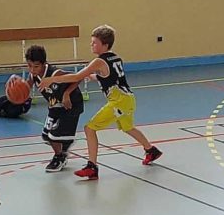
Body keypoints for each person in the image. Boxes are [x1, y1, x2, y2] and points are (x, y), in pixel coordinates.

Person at [38, 24, 162, 180]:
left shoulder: (98, 62)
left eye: (94, 42)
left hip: (119, 102)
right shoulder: (116, 58)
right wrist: (94, 77)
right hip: (128, 99)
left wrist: (52, 79)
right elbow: (112, 77)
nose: (91, 45)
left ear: (105, 44)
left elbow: (76, 77)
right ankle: (151, 150)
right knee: (128, 127)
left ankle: (92, 167)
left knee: (89, 128)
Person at [25, 44, 83, 172]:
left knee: (54, 136)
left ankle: (60, 157)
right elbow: (25, 87)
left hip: (71, 105)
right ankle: (65, 144)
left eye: (36, 66)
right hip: (55, 106)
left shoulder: (55, 73)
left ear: (44, 64)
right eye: (29, 66)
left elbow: (78, 78)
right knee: (46, 135)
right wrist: (14, 87)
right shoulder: (33, 75)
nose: (32, 69)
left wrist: (67, 93)